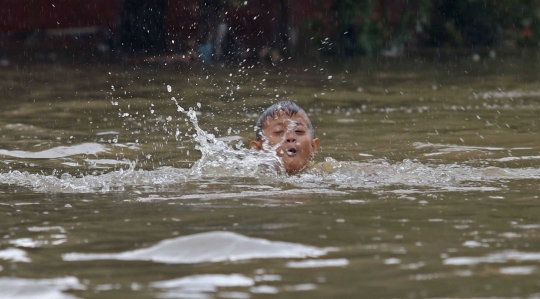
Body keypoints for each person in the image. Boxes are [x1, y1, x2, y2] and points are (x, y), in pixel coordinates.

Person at [250, 101, 320, 175]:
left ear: (313, 147)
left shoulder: (324, 173)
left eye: (299, 131)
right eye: (278, 132)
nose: (290, 137)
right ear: (257, 149)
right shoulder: (250, 176)